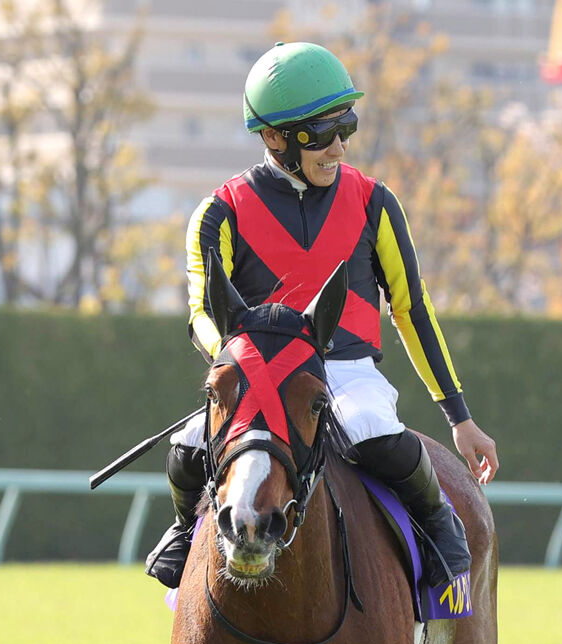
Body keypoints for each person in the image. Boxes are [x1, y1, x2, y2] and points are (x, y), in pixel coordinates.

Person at [146, 41, 499, 589]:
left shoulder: (374, 202)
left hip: (348, 370)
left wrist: (460, 417)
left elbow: (411, 310)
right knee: (191, 444)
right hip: (258, 372)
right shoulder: (219, 213)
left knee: (371, 428)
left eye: (346, 128)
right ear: (274, 137)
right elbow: (200, 312)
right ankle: (179, 529)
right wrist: (238, 366)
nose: (337, 148)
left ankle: (439, 523)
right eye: (320, 135)